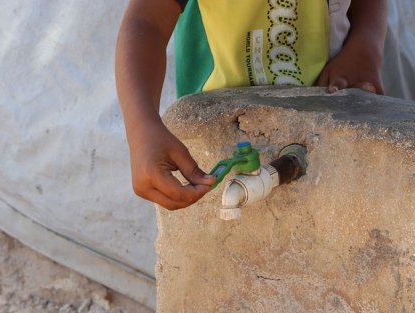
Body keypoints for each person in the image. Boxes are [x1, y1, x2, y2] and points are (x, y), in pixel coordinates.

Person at [115, 0, 387, 210]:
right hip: (216, 141)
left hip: (325, 124)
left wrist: (366, 43)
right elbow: (146, 20)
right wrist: (141, 127)